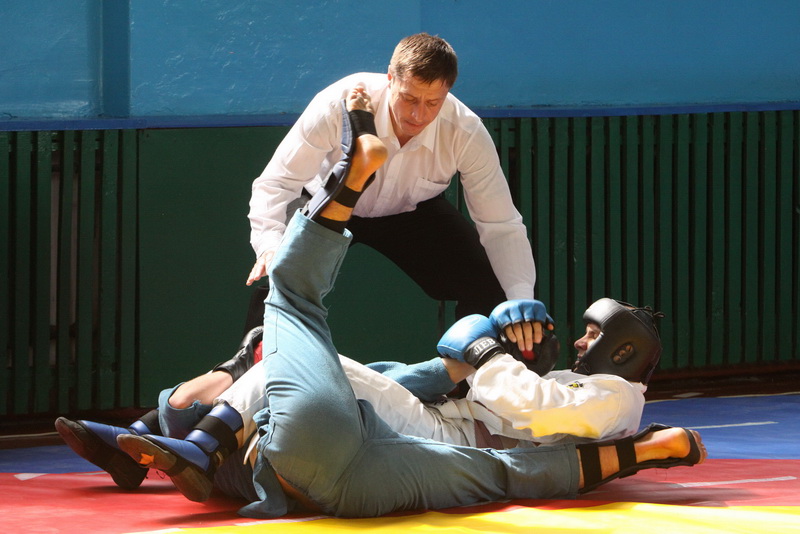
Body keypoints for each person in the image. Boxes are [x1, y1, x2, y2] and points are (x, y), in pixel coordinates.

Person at [107, 96, 705, 518]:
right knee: (292, 361)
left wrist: (488, 348)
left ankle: (187, 436)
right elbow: (272, 188)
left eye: (592, 335)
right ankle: (161, 434)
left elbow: (536, 413)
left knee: (295, 331)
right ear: (392, 85)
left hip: (442, 435)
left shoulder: (615, 398)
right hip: (430, 435)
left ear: (624, 351)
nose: (579, 341)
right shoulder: (337, 100)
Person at [246, 32, 536, 319]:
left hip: (411, 211)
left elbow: (501, 224)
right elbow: (278, 182)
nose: (418, 115)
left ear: (447, 92)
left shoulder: (466, 131)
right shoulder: (338, 102)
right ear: (390, 78)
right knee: (282, 272)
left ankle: (478, 350)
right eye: (409, 98)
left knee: (492, 287)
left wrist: (522, 302)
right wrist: (269, 246)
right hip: (327, 199)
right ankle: (259, 346)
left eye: (432, 103)